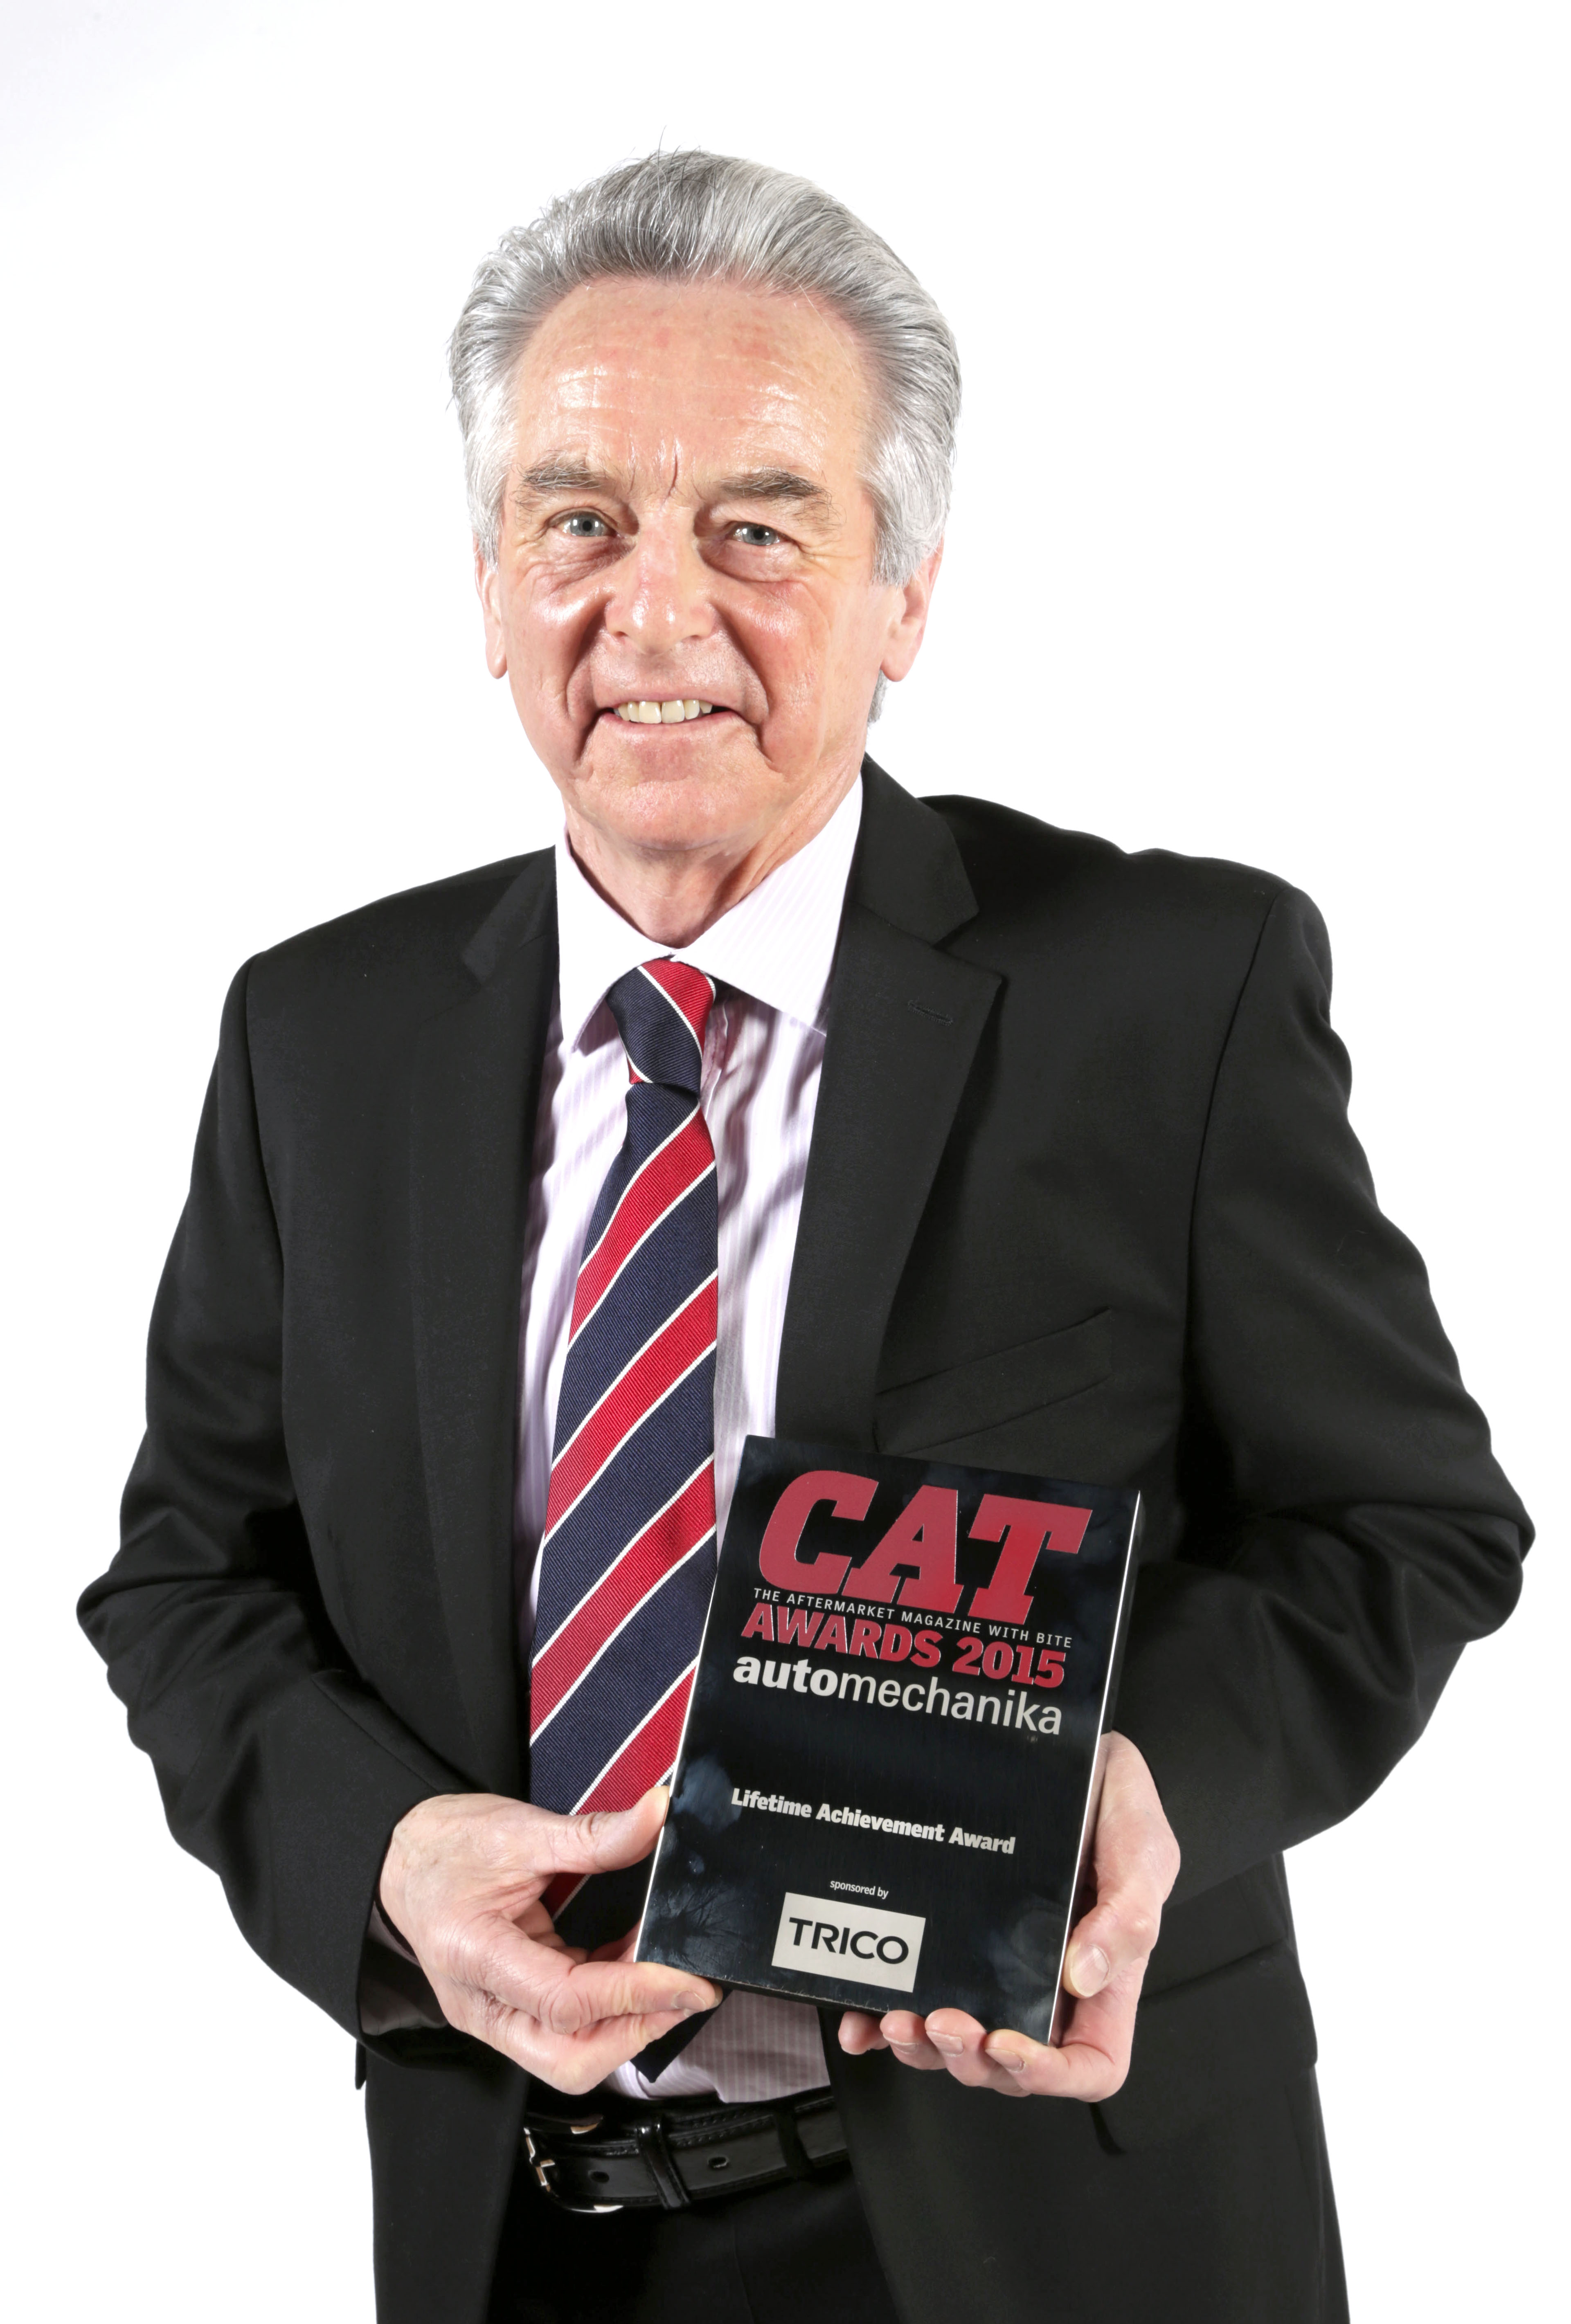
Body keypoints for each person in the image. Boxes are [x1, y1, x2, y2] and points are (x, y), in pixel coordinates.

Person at [80, 150, 1529, 2324]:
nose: (657, 615)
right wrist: (385, 1857)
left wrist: (1134, 1781)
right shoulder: (322, 1038)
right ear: (490, 584)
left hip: (1052, 2228)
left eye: (759, 530)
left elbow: (1403, 1523)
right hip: (515, 2227)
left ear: (905, 595)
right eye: (581, 523)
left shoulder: (1165, 993)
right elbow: (192, 1575)